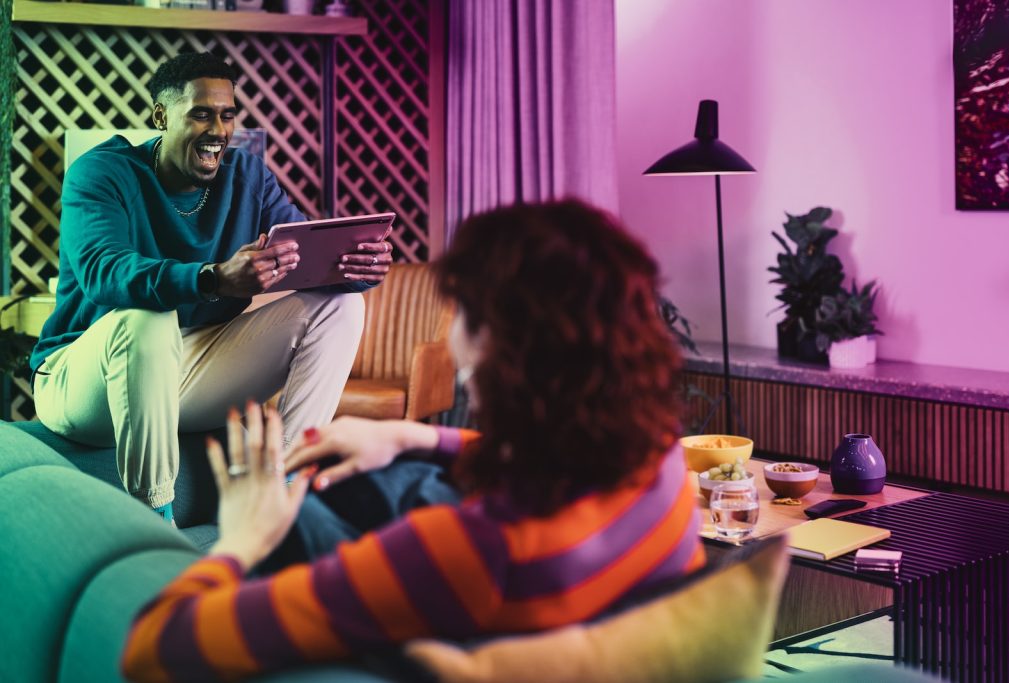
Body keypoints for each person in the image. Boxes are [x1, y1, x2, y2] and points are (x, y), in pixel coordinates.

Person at [121, 199, 704, 681]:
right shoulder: (663, 462)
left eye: (459, 314)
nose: (449, 338)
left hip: (405, 587)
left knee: (313, 515)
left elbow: (154, 647)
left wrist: (243, 540)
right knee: (390, 479)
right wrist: (415, 438)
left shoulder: (463, 552)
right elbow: (557, 461)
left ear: (496, 351)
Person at [29, 52, 392, 524]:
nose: (218, 130)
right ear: (160, 116)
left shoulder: (247, 177)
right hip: (80, 380)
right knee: (148, 317)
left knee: (342, 308)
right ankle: (155, 517)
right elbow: (105, 272)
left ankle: (284, 496)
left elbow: (307, 255)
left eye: (227, 115)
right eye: (201, 114)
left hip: (184, 373)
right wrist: (214, 278)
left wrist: (358, 266)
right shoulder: (102, 174)